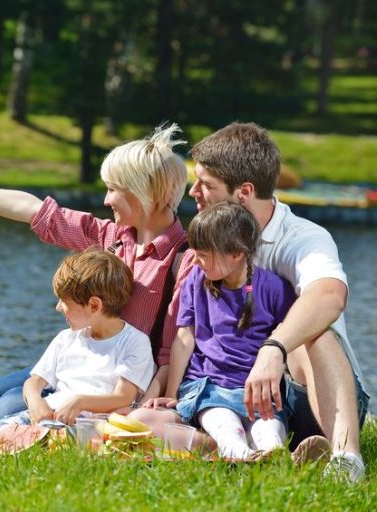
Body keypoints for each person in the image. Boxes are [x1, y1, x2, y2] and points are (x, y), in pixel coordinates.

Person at [0, 124, 193, 420]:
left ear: (145, 192)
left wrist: (139, 415)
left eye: (113, 189)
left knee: (8, 407)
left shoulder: (184, 260)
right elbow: (33, 210)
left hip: (116, 384)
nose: (106, 199)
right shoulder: (110, 238)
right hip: (75, 364)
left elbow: (169, 354)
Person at [134, 122, 369, 481]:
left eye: (206, 184)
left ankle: (345, 459)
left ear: (244, 191)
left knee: (315, 332)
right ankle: (241, 451)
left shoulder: (303, 237)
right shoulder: (208, 246)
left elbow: (330, 295)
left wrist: (274, 348)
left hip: (307, 394)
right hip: (225, 390)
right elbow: (185, 332)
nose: (193, 192)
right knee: (146, 422)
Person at [0, 248, 155, 450]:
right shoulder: (67, 339)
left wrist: (80, 402)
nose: (58, 308)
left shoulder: (133, 342)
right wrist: (35, 401)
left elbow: (123, 397)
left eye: (65, 302)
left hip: (90, 423)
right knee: (4, 426)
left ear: (94, 305)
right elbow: (34, 381)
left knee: (46, 438)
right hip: (51, 413)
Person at [144, 202, 296, 460]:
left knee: (268, 431)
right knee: (225, 426)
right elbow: (184, 338)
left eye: (203, 254)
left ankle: (276, 456)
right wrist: (171, 394)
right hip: (209, 388)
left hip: (256, 392)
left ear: (236, 253)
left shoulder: (275, 288)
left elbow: (289, 337)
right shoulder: (196, 279)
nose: (196, 260)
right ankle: (241, 456)